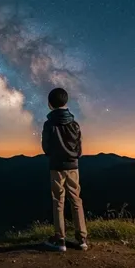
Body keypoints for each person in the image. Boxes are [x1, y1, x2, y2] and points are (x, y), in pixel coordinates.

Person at [41, 87, 88, 251]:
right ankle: (82, 239)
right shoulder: (75, 124)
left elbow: (46, 148)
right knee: (76, 200)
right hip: (73, 166)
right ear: (66, 102)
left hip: (56, 167)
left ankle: (60, 240)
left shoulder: (48, 124)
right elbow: (79, 149)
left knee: (58, 201)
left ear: (50, 104)